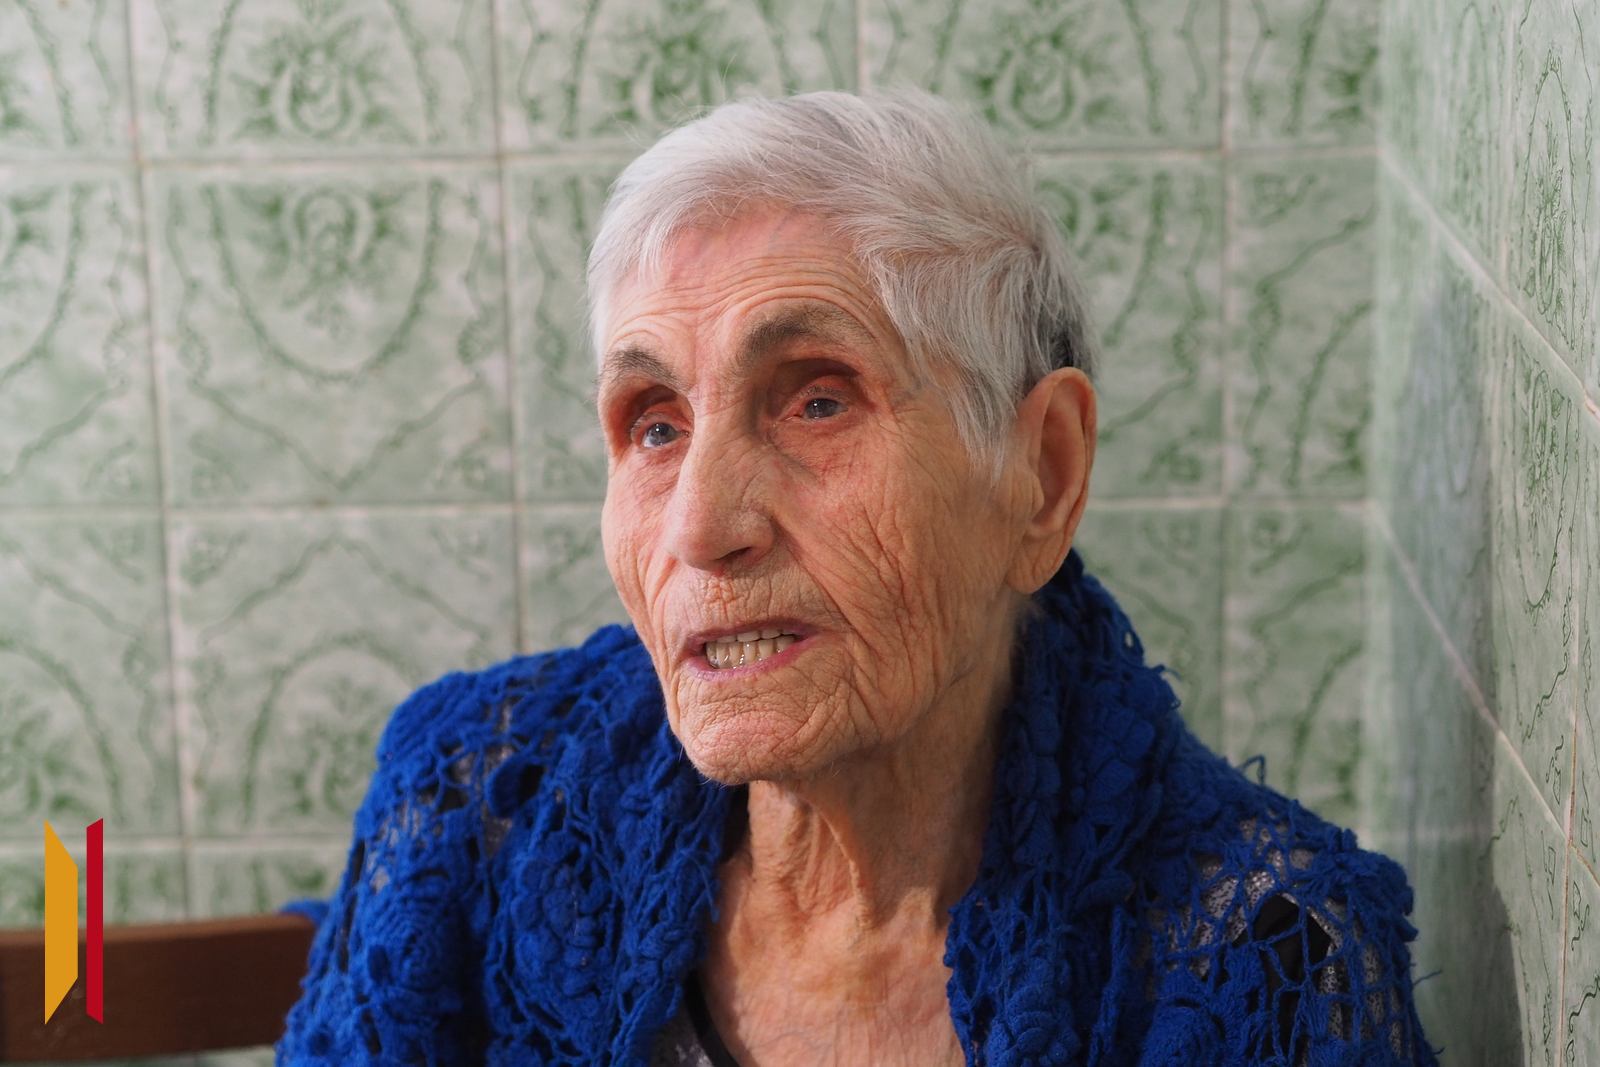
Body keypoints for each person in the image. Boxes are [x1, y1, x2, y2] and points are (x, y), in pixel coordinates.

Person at [276, 88, 1435, 1066]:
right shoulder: (472, 801)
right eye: (655, 424)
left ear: (1040, 474)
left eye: (818, 400)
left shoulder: (1261, 957)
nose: (701, 527)